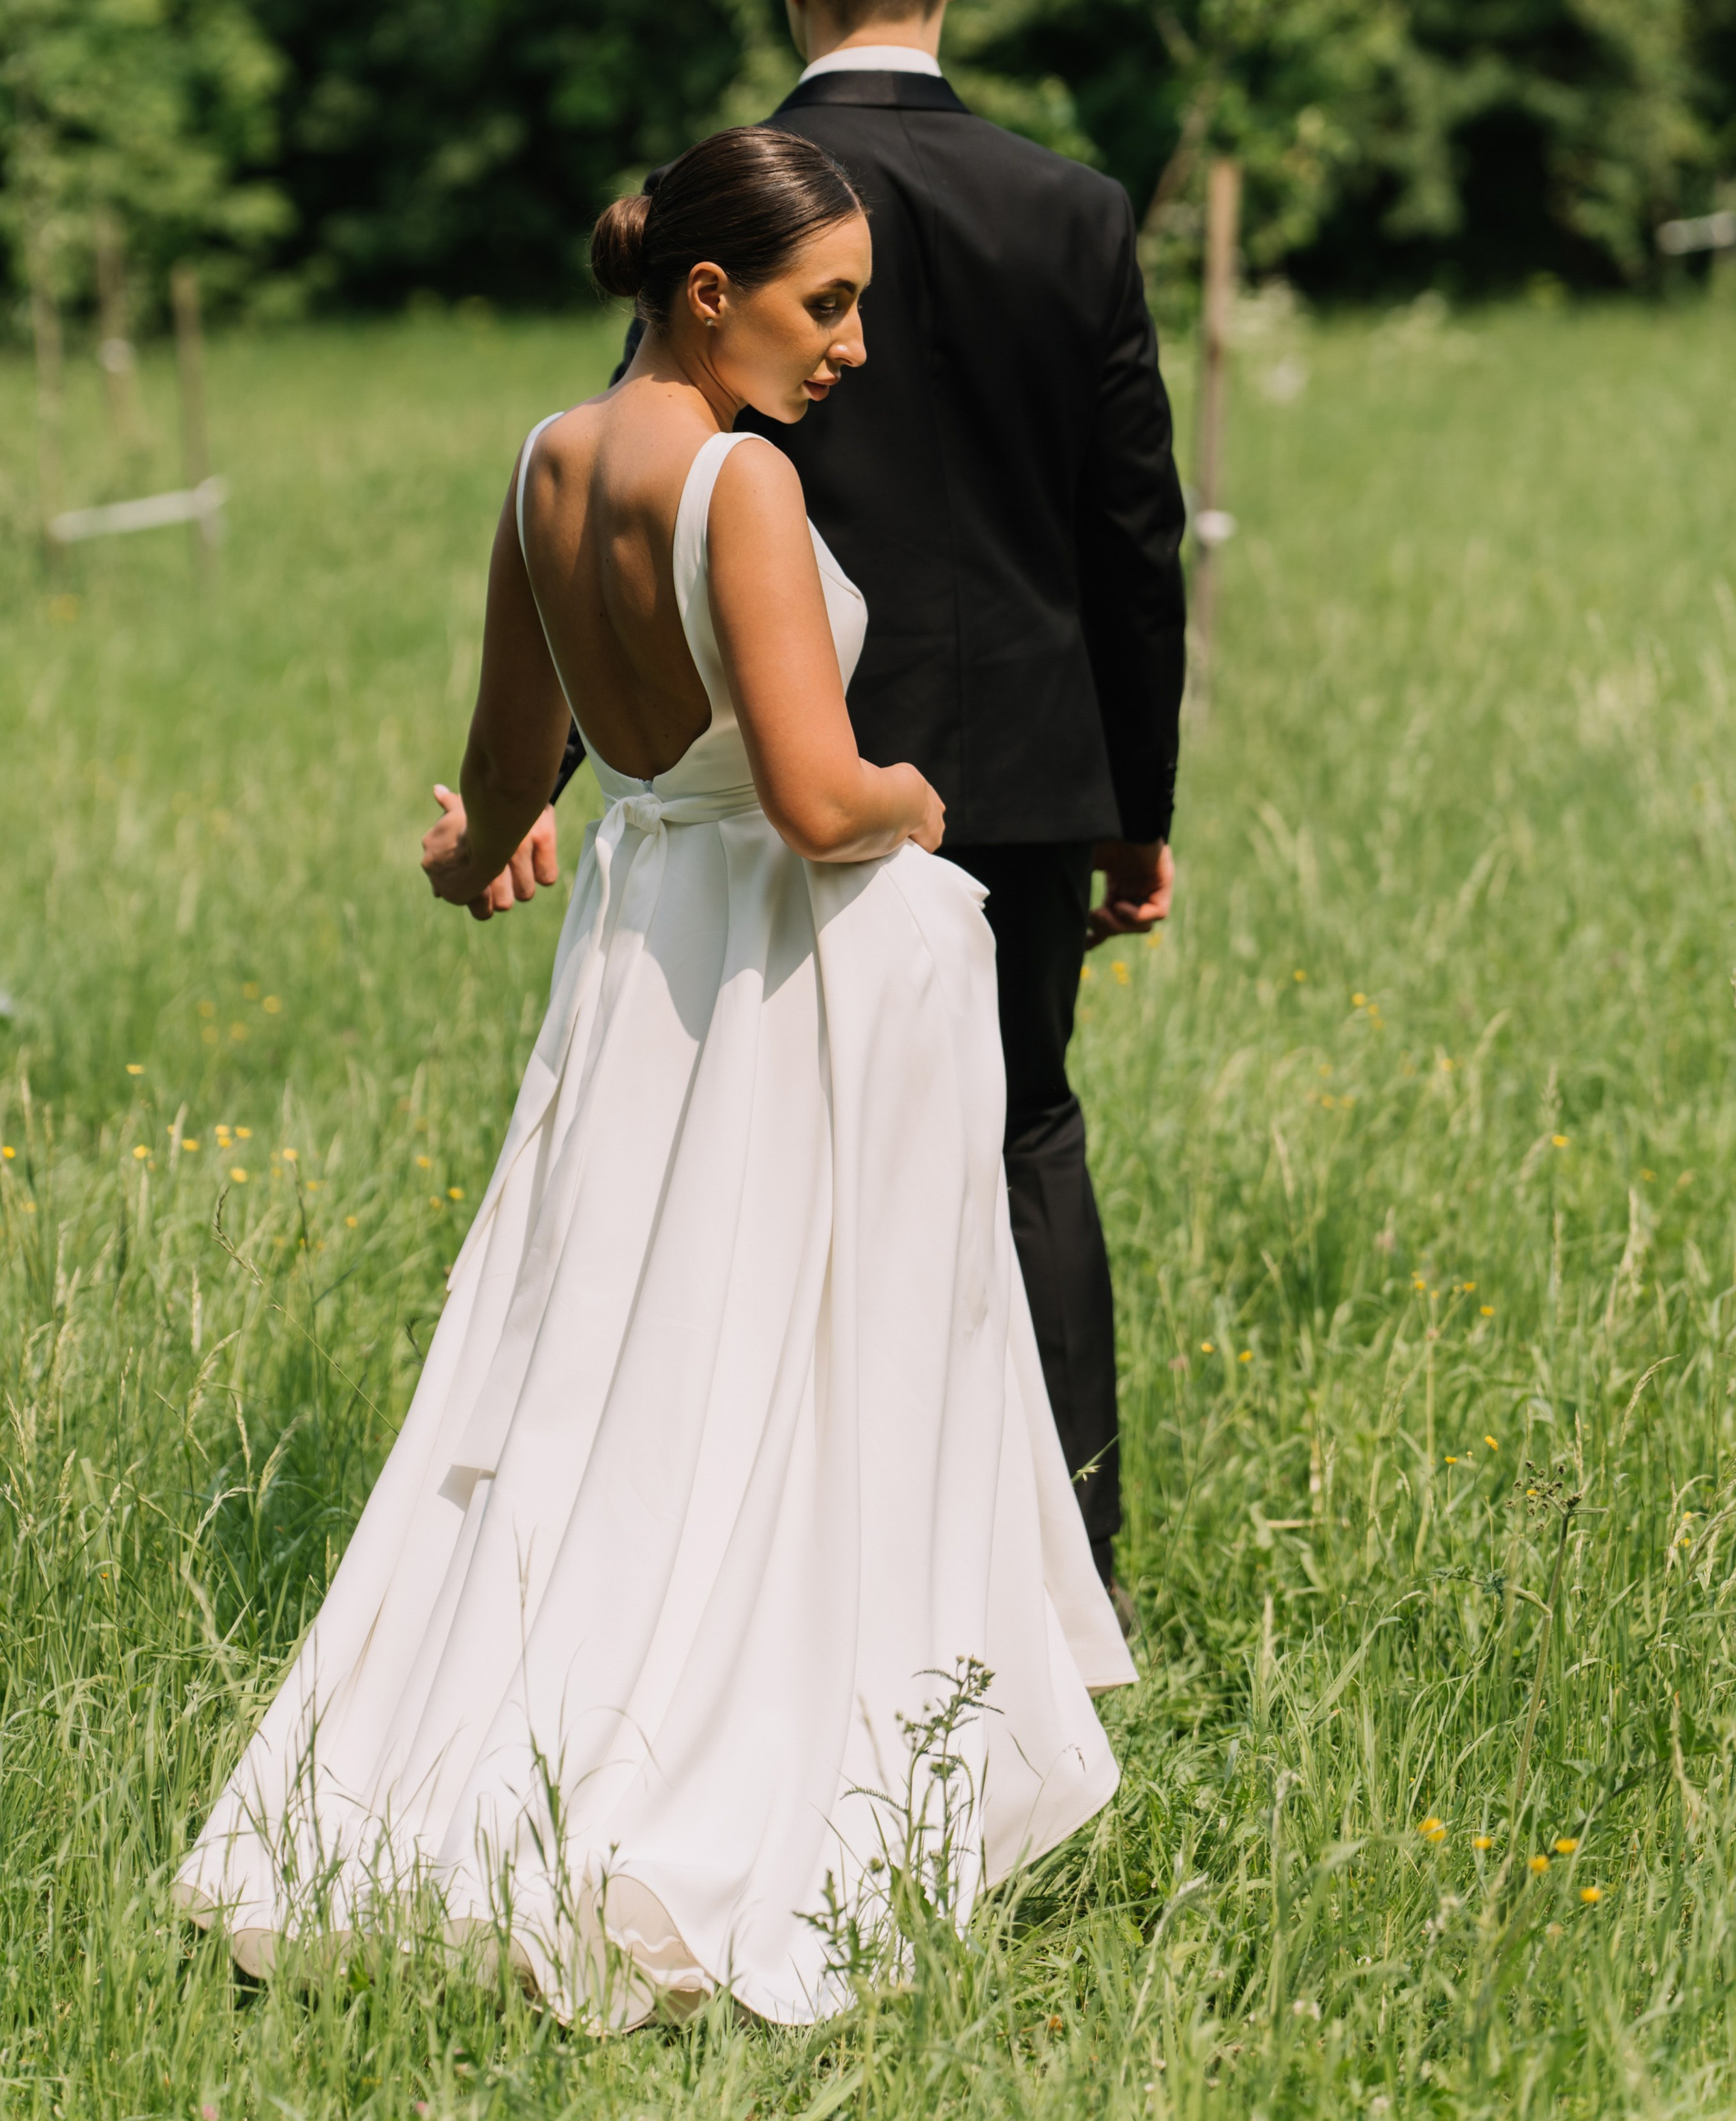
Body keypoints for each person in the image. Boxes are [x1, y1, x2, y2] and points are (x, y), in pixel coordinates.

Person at [175, 127, 1135, 2028]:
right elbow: (811, 791)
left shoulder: (547, 461)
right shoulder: (742, 487)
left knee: (604, 1359)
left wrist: (476, 849)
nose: (850, 345)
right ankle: (728, 1745)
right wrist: (923, 796)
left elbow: (513, 762)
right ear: (710, 294)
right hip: (781, 972)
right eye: (826, 301)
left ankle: (525, 1715)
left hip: (637, 960)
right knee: (780, 1358)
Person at [494, 0, 1187, 1601]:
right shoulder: (1075, 209)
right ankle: (1061, 1583)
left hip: (750, 795)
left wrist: (568, 763)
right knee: (1029, 1131)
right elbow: (1133, 540)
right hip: (1018, 774)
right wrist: (1138, 804)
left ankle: (792, 1579)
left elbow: (627, 509)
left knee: (768, 1200)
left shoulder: (737, 201)